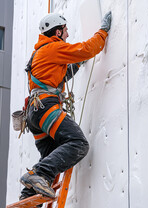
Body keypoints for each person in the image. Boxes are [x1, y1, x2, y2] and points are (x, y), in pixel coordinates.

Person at [19, 11, 112, 206]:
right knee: (78, 143)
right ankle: (38, 174)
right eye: (66, 30)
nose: (68, 34)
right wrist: (103, 31)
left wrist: (77, 65)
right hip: (45, 107)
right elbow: (86, 49)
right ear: (58, 31)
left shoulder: (40, 52)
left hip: (35, 114)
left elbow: (57, 77)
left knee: (51, 155)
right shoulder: (53, 47)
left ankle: (27, 198)